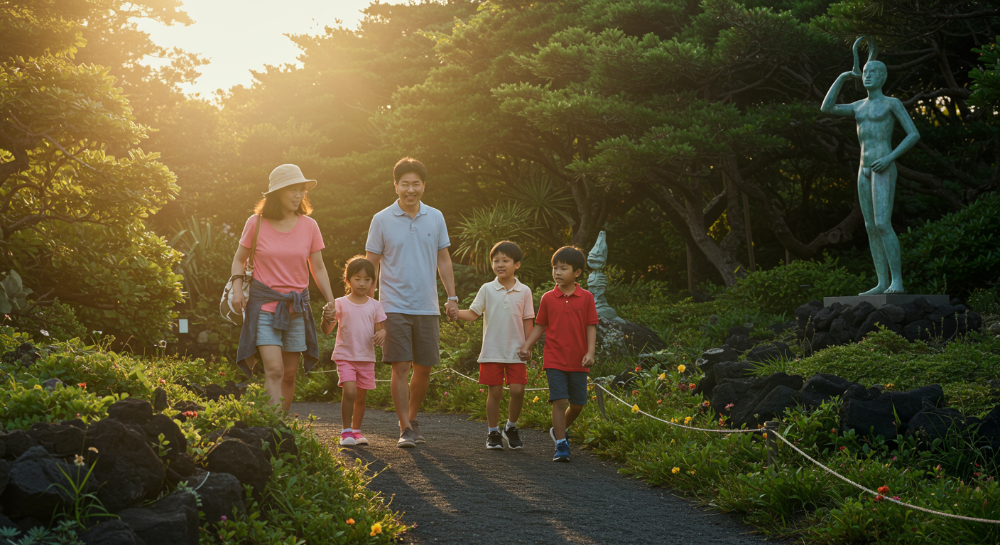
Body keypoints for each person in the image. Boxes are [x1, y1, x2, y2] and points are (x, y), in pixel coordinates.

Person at [365, 157, 459, 448]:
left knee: (425, 367)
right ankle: (404, 426)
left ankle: (413, 417)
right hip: (393, 305)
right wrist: (369, 307)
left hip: (427, 305)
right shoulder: (381, 219)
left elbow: (443, 259)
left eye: (415, 184)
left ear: (423, 186)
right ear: (395, 186)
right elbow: (372, 264)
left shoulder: (435, 217)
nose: (410, 189)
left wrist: (452, 296)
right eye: (404, 184)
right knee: (401, 367)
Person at [231, 164, 336, 411]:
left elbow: (318, 268)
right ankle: (269, 427)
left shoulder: (310, 226)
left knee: (289, 375)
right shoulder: (255, 223)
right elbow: (239, 259)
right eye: (292, 189)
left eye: (301, 190)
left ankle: (281, 429)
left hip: (297, 308)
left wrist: (332, 301)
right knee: (275, 370)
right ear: (277, 192)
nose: (298, 195)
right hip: (264, 307)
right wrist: (237, 288)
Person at [820, 45, 920, 295]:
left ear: (883, 76)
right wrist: (844, 76)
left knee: (883, 223)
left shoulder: (891, 104)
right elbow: (827, 108)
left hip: (883, 166)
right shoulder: (858, 106)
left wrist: (890, 158)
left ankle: (897, 282)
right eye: (865, 71)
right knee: (869, 225)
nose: (868, 75)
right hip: (863, 169)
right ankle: (881, 283)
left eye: (873, 71)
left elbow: (913, 134)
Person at [518, 246, 598, 462]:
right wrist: (527, 346)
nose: (558, 272)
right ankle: (561, 444)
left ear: (577, 272)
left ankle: (557, 430)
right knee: (559, 400)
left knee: (578, 404)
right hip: (554, 358)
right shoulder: (548, 298)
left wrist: (590, 352)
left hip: (579, 359)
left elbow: (591, 326)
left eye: (563, 268)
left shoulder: (587, 297)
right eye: (555, 268)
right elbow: (540, 326)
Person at [456, 241, 535, 450]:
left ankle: (510, 427)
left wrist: (528, 345)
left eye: (505, 260)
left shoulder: (524, 291)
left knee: (518, 390)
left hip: (517, 351)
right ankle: (493, 432)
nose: (500, 264)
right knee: (495, 393)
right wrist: (455, 313)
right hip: (492, 351)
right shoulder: (487, 289)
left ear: (516, 264)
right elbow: (473, 314)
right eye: (495, 261)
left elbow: (528, 320)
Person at [321, 256, 387, 447]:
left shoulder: (375, 305)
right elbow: (326, 329)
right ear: (348, 280)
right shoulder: (340, 303)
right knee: (350, 392)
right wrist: (326, 317)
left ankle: (356, 431)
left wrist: (382, 334)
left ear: (372, 282)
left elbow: (380, 329)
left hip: (366, 357)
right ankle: (345, 431)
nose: (363, 283)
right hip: (345, 356)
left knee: (361, 396)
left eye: (367, 279)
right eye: (358, 278)